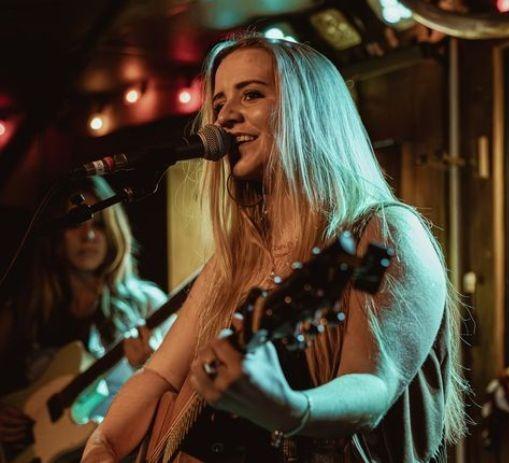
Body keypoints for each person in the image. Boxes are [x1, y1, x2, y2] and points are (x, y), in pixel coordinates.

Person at [82, 35, 467, 463]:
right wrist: (103, 446)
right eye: (220, 102)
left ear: (310, 111)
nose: (225, 117)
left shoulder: (385, 230)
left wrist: (287, 407)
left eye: (252, 94)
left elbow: (374, 385)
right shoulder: (237, 258)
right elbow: (159, 375)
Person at [0, 176, 167, 458]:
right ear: (56, 233)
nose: (88, 235)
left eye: (99, 224)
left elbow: (179, 392)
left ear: (114, 231)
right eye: (77, 222)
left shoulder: (147, 303)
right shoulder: (25, 309)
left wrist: (150, 367)